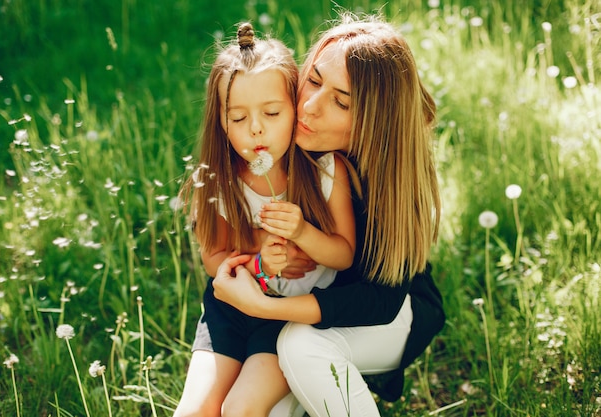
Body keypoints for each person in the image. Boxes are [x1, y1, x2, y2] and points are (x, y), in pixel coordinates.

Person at [211, 13, 445, 417]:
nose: (310, 106)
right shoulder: (284, 137)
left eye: (341, 101)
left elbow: (378, 301)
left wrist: (265, 308)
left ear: (375, 121)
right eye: (314, 80)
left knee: (300, 346)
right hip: (299, 304)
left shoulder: (389, 179)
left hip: (384, 316)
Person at [173, 22, 355, 417]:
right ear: (220, 122)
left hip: (288, 321)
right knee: (195, 411)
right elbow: (213, 258)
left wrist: (303, 232)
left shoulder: (326, 172)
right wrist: (258, 257)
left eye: (271, 113)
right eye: (237, 118)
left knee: (240, 409)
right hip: (231, 310)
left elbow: (343, 255)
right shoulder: (218, 181)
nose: (255, 128)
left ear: (295, 106)